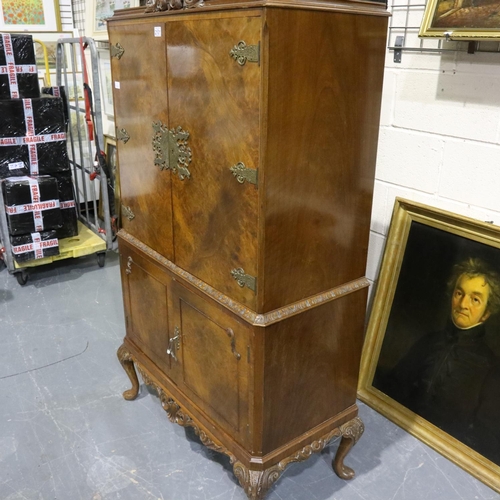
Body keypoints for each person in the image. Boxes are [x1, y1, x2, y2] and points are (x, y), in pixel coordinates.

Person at [375, 257, 500, 464]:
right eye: (459, 293)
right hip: (395, 440)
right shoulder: (428, 342)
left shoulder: (491, 368)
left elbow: (485, 437)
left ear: (486, 313)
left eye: (475, 299)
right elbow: (393, 386)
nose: (462, 304)